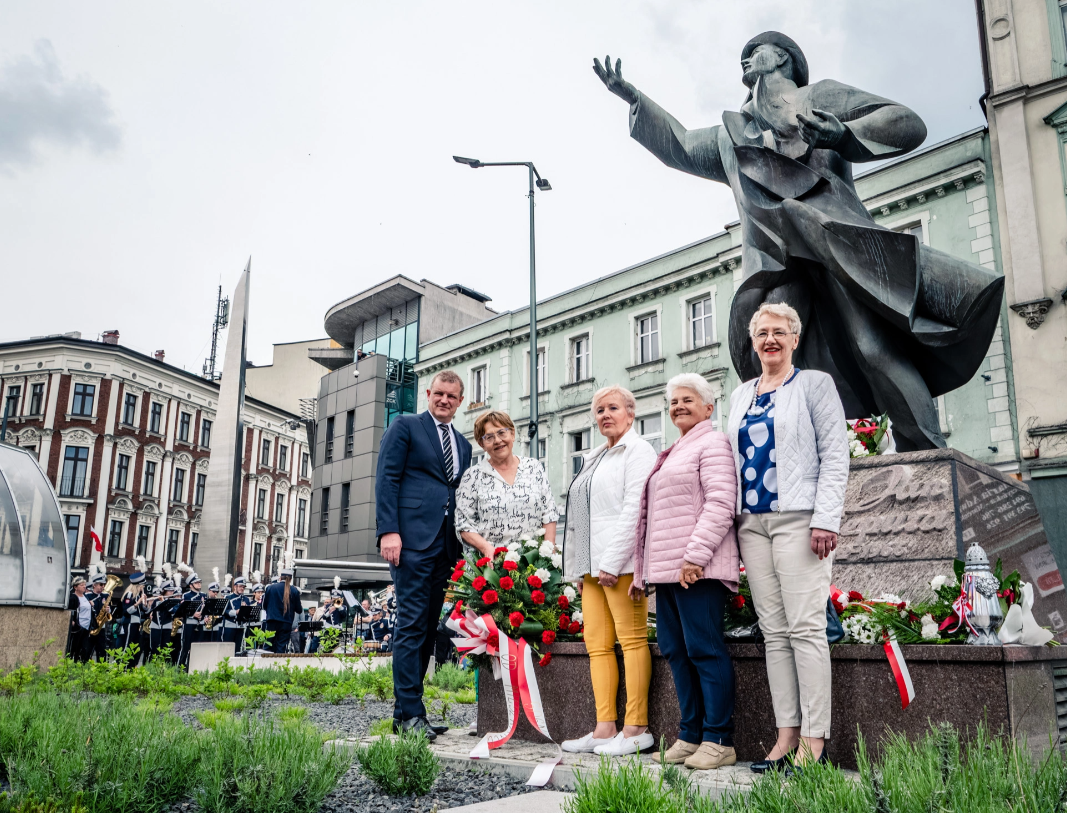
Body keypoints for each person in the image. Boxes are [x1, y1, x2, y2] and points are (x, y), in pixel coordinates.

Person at [592, 33, 1002, 452]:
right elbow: (678, 144)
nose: (746, 59)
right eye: (743, 55)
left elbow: (907, 124)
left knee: (874, 348)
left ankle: (926, 452)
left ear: (784, 59)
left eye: (757, 51)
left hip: (836, 247)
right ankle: (780, 462)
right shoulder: (732, 133)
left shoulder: (821, 97)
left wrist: (842, 133)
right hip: (777, 263)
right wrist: (634, 98)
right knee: (771, 365)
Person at [726, 302, 848, 770]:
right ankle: (785, 735)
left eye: (779, 331)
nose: (770, 340)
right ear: (753, 342)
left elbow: (836, 455)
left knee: (806, 629)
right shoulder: (741, 396)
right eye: (762, 333)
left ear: (795, 339)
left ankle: (814, 742)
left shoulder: (815, 384)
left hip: (800, 520)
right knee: (774, 633)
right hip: (752, 523)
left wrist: (826, 519)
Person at [632, 373, 740, 770]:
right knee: (677, 652)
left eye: (687, 399)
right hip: (667, 572)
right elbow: (655, 519)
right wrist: (644, 574)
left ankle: (719, 738)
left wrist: (695, 556)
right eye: (673, 400)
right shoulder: (675, 450)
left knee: (704, 650)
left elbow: (720, 502)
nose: (678, 405)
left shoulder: (712, 443)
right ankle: (690, 733)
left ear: (708, 408)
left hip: (697, 570)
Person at [375, 369, 472, 741]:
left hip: (445, 546)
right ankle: (410, 713)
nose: (444, 400)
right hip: (410, 540)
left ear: (460, 401)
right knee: (411, 625)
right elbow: (388, 478)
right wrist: (389, 530)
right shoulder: (405, 427)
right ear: (428, 394)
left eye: (452, 396)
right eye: (439, 394)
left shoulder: (462, 444)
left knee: (428, 628)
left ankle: (408, 716)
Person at [561, 386, 657, 757]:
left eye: (613, 408)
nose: (605, 415)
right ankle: (605, 727)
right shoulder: (595, 455)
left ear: (630, 413)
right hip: (591, 566)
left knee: (631, 641)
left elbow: (635, 508)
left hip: (620, 566)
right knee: (596, 645)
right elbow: (582, 514)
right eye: (599, 409)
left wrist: (612, 562)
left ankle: (637, 727)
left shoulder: (639, 451)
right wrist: (579, 565)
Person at [455, 410, 558, 558]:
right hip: (493, 567)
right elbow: (463, 524)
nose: (497, 440)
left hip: (533, 564)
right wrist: (486, 548)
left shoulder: (534, 468)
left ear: (512, 434)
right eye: (489, 437)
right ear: (481, 444)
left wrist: (548, 554)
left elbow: (549, 514)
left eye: (502, 432)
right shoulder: (472, 477)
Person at [262, 568, 302, 653]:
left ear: (280, 577)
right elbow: (299, 610)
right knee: (281, 647)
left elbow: (264, 605)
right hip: (286, 623)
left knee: (268, 645)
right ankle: (278, 665)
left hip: (272, 621)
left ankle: (265, 665)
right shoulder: (294, 591)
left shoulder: (270, 588)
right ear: (290, 579)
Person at [119, 571, 149, 667]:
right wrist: (137, 603)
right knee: (127, 645)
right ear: (138, 585)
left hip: (136, 623)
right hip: (129, 623)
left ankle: (131, 667)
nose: (143, 588)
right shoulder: (129, 594)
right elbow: (126, 611)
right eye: (142, 586)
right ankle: (122, 667)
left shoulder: (137, 596)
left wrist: (145, 605)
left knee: (136, 647)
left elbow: (145, 612)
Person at [179, 573, 204, 668]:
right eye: (196, 583)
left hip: (200, 624)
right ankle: (181, 667)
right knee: (186, 647)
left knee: (198, 647)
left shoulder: (203, 595)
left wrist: (204, 615)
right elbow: (182, 610)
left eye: (199, 582)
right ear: (191, 585)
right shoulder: (186, 595)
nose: (199, 584)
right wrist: (193, 614)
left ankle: (193, 666)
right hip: (189, 623)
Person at [222, 577, 250, 648]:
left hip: (241, 627)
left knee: (238, 648)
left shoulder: (246, 599)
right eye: (240, 586)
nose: (242, 588)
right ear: (235, 586)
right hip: (230, 626)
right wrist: (235, 612)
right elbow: (224, 611)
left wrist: (246, 609)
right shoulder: (228, 597)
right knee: (228, 647)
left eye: (243, 587)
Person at [70, 576, 92, 662]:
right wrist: (72, 621)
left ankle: (81, 662)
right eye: (81, 585)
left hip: (87, 626)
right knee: (75, 646)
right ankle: (73, 660)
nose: (84, 586)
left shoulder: (86, 597)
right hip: (79, 626)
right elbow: (72, 610)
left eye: (84, 585)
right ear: (75, 587)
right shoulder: (74, 597)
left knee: (84, 647)